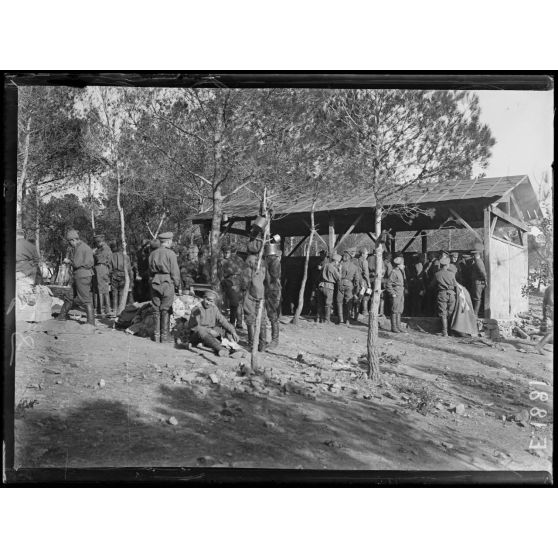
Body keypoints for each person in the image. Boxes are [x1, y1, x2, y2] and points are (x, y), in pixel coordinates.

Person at [56, 229, 95, 325]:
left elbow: (77, 263)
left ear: (73, 240)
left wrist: (68, 261)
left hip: (82, 276)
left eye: (70, 242)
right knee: (69, 296)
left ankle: (91, 322)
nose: (69, 244)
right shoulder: (82, 247)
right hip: (79, 275)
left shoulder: (81, 248)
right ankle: (62, 316)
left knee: (86, 299)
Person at [148, 232, 181, 343]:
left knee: (156, 309)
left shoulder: (152, 254)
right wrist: (177, 284)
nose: (171, 242)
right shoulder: (171, 254)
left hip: (155, 282)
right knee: (165, 309)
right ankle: (164, 337)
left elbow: (149, 271)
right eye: (171, 241)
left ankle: (156, 336)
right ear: (167, 241)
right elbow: (175, 271)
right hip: (167, 282)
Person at [187, 290, 239, 357]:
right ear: (204, 298)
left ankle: (235, 349)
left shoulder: (214, 308)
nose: (208, 303)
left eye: (211, 301)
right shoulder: (197, 309)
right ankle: (221, 349)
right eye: (207, 300)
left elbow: (222, 320)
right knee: (201, 331)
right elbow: (194, 327)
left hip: (210, 333)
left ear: (213, 302)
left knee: (227, 329)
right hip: (197, 335)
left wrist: (233, 331)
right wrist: (209, 331)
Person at [241, 253, 267, 351]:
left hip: (250, 294)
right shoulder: (263, 264)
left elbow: (245, 281)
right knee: (262, 320)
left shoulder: (249, 264)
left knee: (250, 318)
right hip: (261, 294)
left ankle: (252, 344)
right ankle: (262, 345)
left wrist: (243, 289)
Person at [430, 254, 458, 336]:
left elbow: (432, 285)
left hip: (442, 294)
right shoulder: (452, 274)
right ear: (447, 265)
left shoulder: (437, 274)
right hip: (452, 294)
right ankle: (451, 331)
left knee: (443, 313)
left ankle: (444, 331)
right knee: (451, 312)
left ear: (441, 265)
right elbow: (455, 284)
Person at [218, 244, 244, 329]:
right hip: (238, 282)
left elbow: (220, 274)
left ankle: (233, 323)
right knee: (238, 303)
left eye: (226, 252)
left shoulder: (223, 261)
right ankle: (238, 322)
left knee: (234, 303)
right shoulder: (240, 259)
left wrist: (222, 282)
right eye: (225, 252)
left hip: (231, 282)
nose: (225, 254)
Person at [264, 242, 282, 349]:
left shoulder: (275, 262)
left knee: (273, 316)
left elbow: (275, 275)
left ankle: (275, 340)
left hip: (273, 290)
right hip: (267, 289)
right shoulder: (268, 261)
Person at [109, 240, 133, 315]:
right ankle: (120, 311)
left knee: (114, 294)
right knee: (121, 294)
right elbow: (129, 269)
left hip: (114, 276)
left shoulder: (112, 256)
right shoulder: (126, 257)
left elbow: (109, 268)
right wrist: (131, 280)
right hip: (123, 276)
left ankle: (114, 310)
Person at [336, 250, 359, 325]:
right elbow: (356, 280)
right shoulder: (355, 267)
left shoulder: (340, 265)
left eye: (344, 256)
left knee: (339, 302)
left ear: (347, 257)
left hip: (340, 283)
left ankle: (341, 320)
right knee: (348, 302)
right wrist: (356, 290)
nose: (343, 257)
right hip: (350, 285)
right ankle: (348, 320)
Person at [92, 233, 112, 317]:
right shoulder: (107, 248)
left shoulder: (102, 249)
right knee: (105, 289)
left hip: (100, 268)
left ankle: (100, 310)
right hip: (105, 269)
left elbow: (98, 258)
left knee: (99, 290)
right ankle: (107, 309)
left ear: (99, 242)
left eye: (96, 242)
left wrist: (93, 253)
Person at [318, 252, 341, 323]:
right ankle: (326, 320)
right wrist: (339, 270)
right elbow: (339, 278)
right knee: (328, 304)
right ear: (336, 261)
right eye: (338, 262)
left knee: (320, 303)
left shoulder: (325, 265)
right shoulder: (333, 268)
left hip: (321, 285)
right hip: (329, 287)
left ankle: (319, 318)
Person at [386, 256, 406, 333]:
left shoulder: (401, 271)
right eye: (402, 264)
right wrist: (392, 293)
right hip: (396, 292)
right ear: (399, 264)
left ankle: (399, 326)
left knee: (399, 310)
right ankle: (394, 327)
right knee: (394, 310)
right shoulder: (394, 272)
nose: (403, 265)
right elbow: (388, 284)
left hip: (401, 292)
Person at [536, 282, 554, 355]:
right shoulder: (551, 287)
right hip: (550, 310)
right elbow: (550, 301)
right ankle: (539, 346)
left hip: (548, 310)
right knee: (551, 331)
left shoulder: (550, 287)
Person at [353, 247, 371, 319]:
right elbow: (366, 273)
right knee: (365, 296)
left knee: (357, 296)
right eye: (366, 254)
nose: (367, 255)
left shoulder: (355, 260)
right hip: (363, 281)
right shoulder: (364, 261)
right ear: (363, 254)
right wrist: (368, 282)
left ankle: (355, 314)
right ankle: (364, 312)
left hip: (356, 280)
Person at [469, 245, 487, 316]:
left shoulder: (478, 262)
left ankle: (475, 314)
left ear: (477, 255)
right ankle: (475, 313)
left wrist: (485, 280)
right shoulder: (477, 261)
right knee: (476, 298)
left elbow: (482, 272)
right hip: (478, 282)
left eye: (474, 254)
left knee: (477, 298)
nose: (473, 256)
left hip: (478, 283)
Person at [380, 251, 393, 317]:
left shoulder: (381, 262)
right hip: (386, 281)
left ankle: (381, 311)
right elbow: (389, 274)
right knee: (387, 298)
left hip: (380, 281)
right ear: (387, 257)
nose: (391, 257)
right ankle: (384, 312)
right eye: (390, 256)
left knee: (381, 297)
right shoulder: (388, 264)